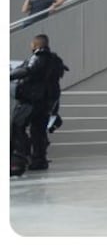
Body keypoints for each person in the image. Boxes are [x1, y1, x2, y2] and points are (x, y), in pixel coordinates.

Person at [10, 34, 68, 176]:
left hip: (31, 101)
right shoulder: (56, 61)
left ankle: (20, 158)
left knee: (17, 127)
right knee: (38, 131)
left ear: (36, 45)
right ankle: (39, 160)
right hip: (47, 103)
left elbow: (27, 70)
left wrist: (9, 75)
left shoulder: (38, 56)